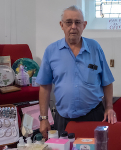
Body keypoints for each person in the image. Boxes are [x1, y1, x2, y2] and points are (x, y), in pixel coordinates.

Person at [36, 5, 116, 139]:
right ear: (61, 25)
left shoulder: (95, 48)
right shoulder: (51, 51)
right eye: (69, 22)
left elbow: (107, 81)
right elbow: (44, 86)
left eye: (77, 22)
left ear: (84, 25)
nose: (73, 26)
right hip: (63, 119)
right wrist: (43, 118)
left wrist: (109, 107)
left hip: (94, 116)